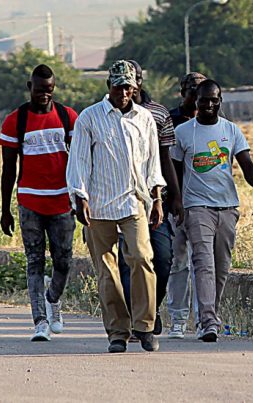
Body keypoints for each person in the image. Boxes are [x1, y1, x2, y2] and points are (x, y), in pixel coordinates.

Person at [66, 60, 166, 353]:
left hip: (134, 199)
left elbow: (152, 161)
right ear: (108, 86)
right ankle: (117, 332)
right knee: (106, 269)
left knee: (142, 258)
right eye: (118, 86)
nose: (123, 92)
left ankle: (145, 326)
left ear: (135, 88)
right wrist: (79, 196)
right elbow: (79, 161)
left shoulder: (144, 118)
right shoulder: (89, 118)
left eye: (128, 87)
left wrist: (157, 198)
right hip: (98, 204)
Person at [172, 79, 253, 342]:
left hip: (227, 206)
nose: (209, 105)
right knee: (202, 263)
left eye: (214, 100)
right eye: (204, 100)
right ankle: (208, 322)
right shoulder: (184, 132)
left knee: (221, 267)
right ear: (196, 101)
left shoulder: (231, 130)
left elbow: (246, 163)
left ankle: (209, 312)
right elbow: (174, 171)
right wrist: (176, 201)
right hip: (196, 206)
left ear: (220, 101)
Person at [0, 64, 79, 342]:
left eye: (49, 89)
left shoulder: (68, 118)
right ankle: (40, 321)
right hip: (30, 201)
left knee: (64, 262)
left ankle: (53, 300)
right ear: (29, 86)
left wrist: (81, 198)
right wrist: (4, 209)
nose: (44, 94)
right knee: (34, 262)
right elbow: (8, 169)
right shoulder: (15, 120)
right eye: (39, 89)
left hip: (62, 202)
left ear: (53, 89)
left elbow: (81, 162)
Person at [115, 60, 183, 337]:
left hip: (155, 199)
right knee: (128, 261)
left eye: (135, 80)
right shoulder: (108, 113)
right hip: (120, 199)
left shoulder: (158, 113)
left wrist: (174, 196)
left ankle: (150, 308)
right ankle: (136, 318)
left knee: (164, 258)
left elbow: (166, 158)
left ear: (140, 82)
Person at [166, 72, 207, 339]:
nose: (197, 95)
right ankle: (178, 320)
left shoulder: (213, 122)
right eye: (192, 90)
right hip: (176, 202)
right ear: (182, 92)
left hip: (205, 203)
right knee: (178, 263)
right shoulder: (170, 121)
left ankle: (204, 320)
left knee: (203, 264)